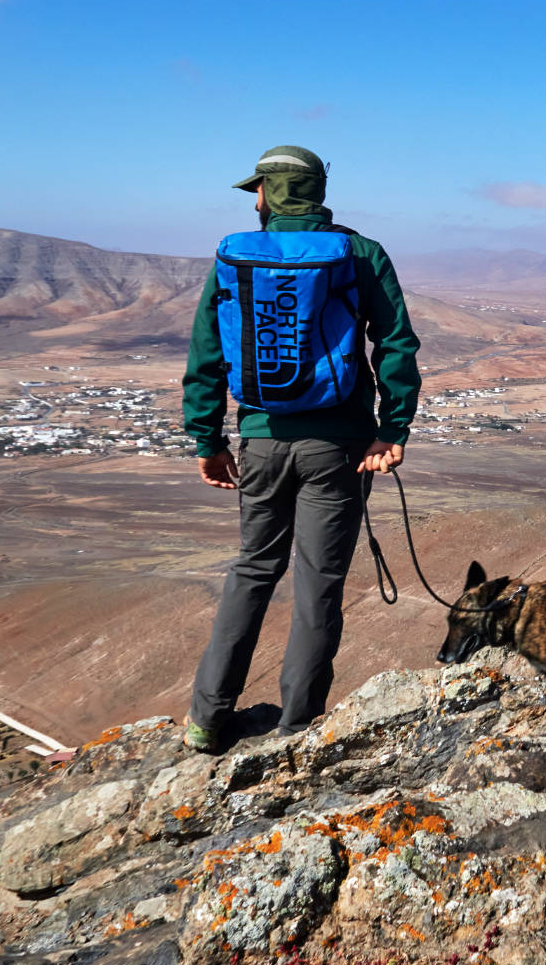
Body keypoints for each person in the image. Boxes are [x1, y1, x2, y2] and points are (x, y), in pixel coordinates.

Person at [179, 145, 421, 752]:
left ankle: (208, 720)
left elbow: (207, 354)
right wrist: (392, 431)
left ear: (274, 191)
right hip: (339, 448)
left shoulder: (235, 256)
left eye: (256, 188)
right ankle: (296, 727)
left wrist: (208, 439)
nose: (254, 200)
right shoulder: (360, 253)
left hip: (260, 442)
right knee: (319, 582)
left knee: (253, 569)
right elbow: (395, 346)